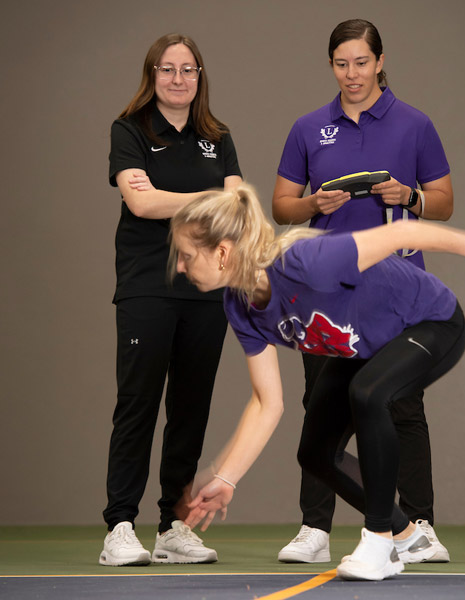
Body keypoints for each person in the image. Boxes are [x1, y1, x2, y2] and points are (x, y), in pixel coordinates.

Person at [169, 183, 465, 581]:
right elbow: (267, 403)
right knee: (316, 452)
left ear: (222, 253)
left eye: (186, 256)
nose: (180, 267)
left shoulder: (302, 261)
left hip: (431, 322)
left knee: (368, 394)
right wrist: (227, 477)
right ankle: (407, 535)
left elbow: (401, 234)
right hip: (370, 346)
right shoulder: (240, 306)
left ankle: (380, 540)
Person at [272, 19, 453, 563]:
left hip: (399, 291)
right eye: (341, 63)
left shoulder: (414, 124)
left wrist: (412, 196)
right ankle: (315, 531)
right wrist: (312, 206)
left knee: (401, 404)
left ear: (379, 62)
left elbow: (444, 201)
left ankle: (419, 525)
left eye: (361, 62)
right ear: (332, 66)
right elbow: (282, 205)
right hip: (326, 290)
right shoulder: (308, 128)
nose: (351, 73)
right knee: (319, 407)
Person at [99, 33, 242, 567]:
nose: (178, 78)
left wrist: (176, 199)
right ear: (152, 75)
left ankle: (174, 526)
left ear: (199, 77)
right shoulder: (129, 129)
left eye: (188, 70)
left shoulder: (217, 136)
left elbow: (237, 209)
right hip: (146, 286)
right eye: (167, 69)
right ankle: (120, 526)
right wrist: (210, 198)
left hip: (207, 291)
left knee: (190, 409)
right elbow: (140, 202)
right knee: (137, 404)